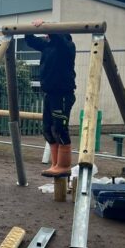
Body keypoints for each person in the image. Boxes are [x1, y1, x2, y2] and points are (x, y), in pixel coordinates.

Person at [25, 19, 76, 177]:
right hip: (49, 93)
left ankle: (64, 165)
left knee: (60, 128)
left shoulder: (66, 46)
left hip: (62, 93)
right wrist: (29, 29)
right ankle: (55, 163)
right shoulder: (47, 46)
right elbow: (31, 40)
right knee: (48, 129)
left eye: (49, 33)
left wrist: (46, 25)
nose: (47, 36)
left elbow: (58, 38)